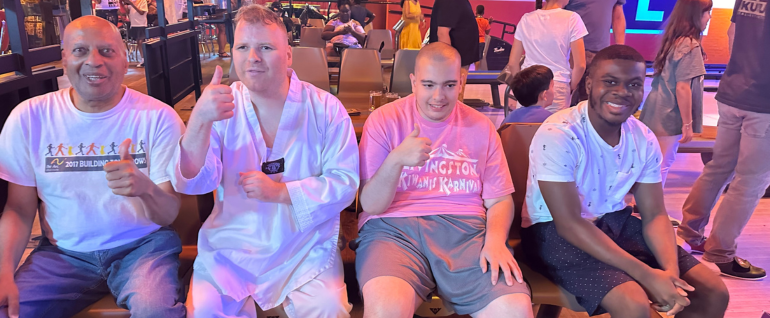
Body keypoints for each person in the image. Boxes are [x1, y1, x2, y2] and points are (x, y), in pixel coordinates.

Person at [170, 5, 359, 317]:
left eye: (265, 48)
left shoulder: (325, 108)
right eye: (243, 47)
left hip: (303, 245)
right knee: (204, 309)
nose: (252, 57)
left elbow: (345, 184)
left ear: (288, 56)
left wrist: (281, 192)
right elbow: (192, 181)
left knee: (328, 306)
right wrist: (200, 121)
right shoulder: (219, 108)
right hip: (232, 245)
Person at [521, 45, 729, 318]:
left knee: (713, 291)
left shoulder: (643, 137)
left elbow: (655, 214)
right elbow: (569, 223)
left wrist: (669, 274)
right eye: (610, 81)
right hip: (553, 233)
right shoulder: (560, 133)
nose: (622, 91)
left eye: (634, 84)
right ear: (589, 83)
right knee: (633, 303)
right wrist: (646, 274)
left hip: (616, 222)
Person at [0, 16, 186, 318]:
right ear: (64, 59)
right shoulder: (29, 118)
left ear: (125, 60)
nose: (93, 61)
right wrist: (3, 272)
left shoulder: (158, 118)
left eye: (107, 51)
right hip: (61, 254)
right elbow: (19, 210)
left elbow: (168, 214)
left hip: (143, 247)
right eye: (80, 51)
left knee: (156, 311)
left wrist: (145, 189)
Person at [354, 42, 534, 318]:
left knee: (515, 310)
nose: (438, 96)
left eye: (449, 85)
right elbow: (371, 205)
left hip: (466, 232)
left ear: (461, 82)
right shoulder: (383, 120)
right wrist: (395, 160)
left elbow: (499, 199)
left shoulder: (482, 126)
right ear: (413, 82)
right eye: (428, 85)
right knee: (385, 311)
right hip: (392, 230)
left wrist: (496, 241)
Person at [677, 0, 770, 280]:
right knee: (750, 181)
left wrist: (745, 74)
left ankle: (688, 234)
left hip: (733, 92)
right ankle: (719, 254)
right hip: (763, 103)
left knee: (719, 167)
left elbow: (732, 34)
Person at [639, 0, 711, 190]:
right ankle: (654, 212)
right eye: (706, 12)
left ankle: (644, 207)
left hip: (655, 110)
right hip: (669, 115)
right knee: (662, 164)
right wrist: (687, 124)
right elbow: (682, 88)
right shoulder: (690, 46)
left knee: (652, 163)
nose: (709, 17)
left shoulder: (674, 40)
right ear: (695, 16)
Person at [505, 0, 586, 113]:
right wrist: (570, 87)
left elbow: (513, 63)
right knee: (553, 128)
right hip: (556, 84)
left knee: (525, 127)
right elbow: (580, 65)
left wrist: (521, 84)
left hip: (528, 83)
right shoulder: (572, 18)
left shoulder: (526, 19)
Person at [565, 0, 626, 104]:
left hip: (600, 54)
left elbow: (618, 16)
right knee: (566, 102)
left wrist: (619, 50)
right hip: (570, 53)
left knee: (593, 103)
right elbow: (555, 11)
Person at [428, 0, 478, 102]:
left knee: (456, 98)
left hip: (459, 61)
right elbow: (442, 33)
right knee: (453, 100)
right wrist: (450, 64)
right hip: (455, 63)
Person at [120, 0, 148, 67]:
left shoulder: (142, 1)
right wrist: (125, 6)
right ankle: (143, 59)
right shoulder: (131, 2)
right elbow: (128, 13)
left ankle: (145, 59)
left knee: (141, 42)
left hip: (141, 24)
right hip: (134, 24)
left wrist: (132, 4)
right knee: (138, 42)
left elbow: (141, 12)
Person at [474, 5, 492, 70]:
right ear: (483, 12)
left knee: (473, 57)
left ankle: (474, 71)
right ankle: (476, 71)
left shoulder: (473, 20)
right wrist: (489, 23)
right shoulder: (485, 21)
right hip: (481, 41)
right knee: (478, 57)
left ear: (476, 11)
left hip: (474, 41)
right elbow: (487, 32)